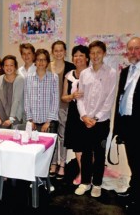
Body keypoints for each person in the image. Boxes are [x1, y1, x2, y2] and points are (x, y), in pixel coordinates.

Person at [112, 37, 140, 214]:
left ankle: (138, 200)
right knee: (133, 162)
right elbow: (122, 98)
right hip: (128, 125)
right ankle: (133, 189)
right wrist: (119, 127)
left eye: (136, 48)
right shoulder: (125, 71)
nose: (133, 52)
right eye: (130, 49)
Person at [74, 40, 116, 198]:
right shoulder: (84, 73)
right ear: (89, 55)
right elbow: (79, 97)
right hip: (85, 121)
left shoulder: (111, 73)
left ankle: (97, 183)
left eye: (99, 52)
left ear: (104, 53)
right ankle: (85, 182)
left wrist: (96, 118)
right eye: (92, 53)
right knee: (85, 153)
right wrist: (84, 116)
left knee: (99, 153)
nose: (95, 56)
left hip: (101, 122)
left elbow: (110, 99)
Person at [62, 45, 90, 185]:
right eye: (75, 55)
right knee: (78, 146)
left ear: (87, 57)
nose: (78, 58)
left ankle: (89, 173)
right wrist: (72, 95)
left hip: (89, 113)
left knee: (89, 146)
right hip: (74, 113)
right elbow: (63, 97)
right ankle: (82, 172)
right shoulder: (69, 75)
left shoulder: (92, 73)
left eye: (81, 55)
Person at [48, 40, 75, 179]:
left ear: (65, 52)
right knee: (51, 136)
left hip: (65, 107)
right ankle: (52, 163)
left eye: (61, 50)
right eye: (56, 50)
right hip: (49, 108)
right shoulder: (47, 67)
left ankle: (62, 164)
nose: (58, 53)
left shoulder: (71, 67)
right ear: (52, 52)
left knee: (63, 137)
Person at [24, 48, 59, 133]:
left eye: (44, 60)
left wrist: (48, 122)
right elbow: (26, 100)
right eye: (38, 59)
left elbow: (55, 101)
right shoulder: (28, 78)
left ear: (47, 62)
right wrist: (30, 120)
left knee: (49, 146)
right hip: (33, 122)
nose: (41, 62)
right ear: (35, 61)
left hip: (49, 122)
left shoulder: (53, 77)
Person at [0, 55, 24, 129]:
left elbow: (17, 100)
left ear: (15, 67)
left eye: (11, 65)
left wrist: (11, 119)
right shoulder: (0, 78)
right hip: (1, 118)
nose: (8, 68)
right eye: (6, 65)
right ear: (3, 67)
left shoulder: (19, 79)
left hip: (15, 118)